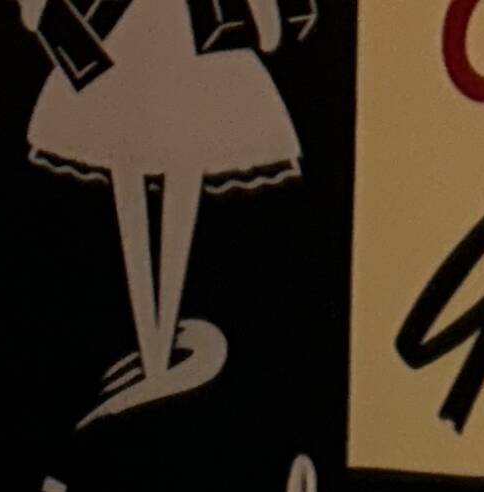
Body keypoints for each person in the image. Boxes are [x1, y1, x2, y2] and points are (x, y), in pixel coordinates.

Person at [18, 0, 309, 426]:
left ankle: (159, 353)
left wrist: (268, 20)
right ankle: (152, 353)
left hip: (192, 50)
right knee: (132, 175)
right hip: (128, 48)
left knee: (176, 170)